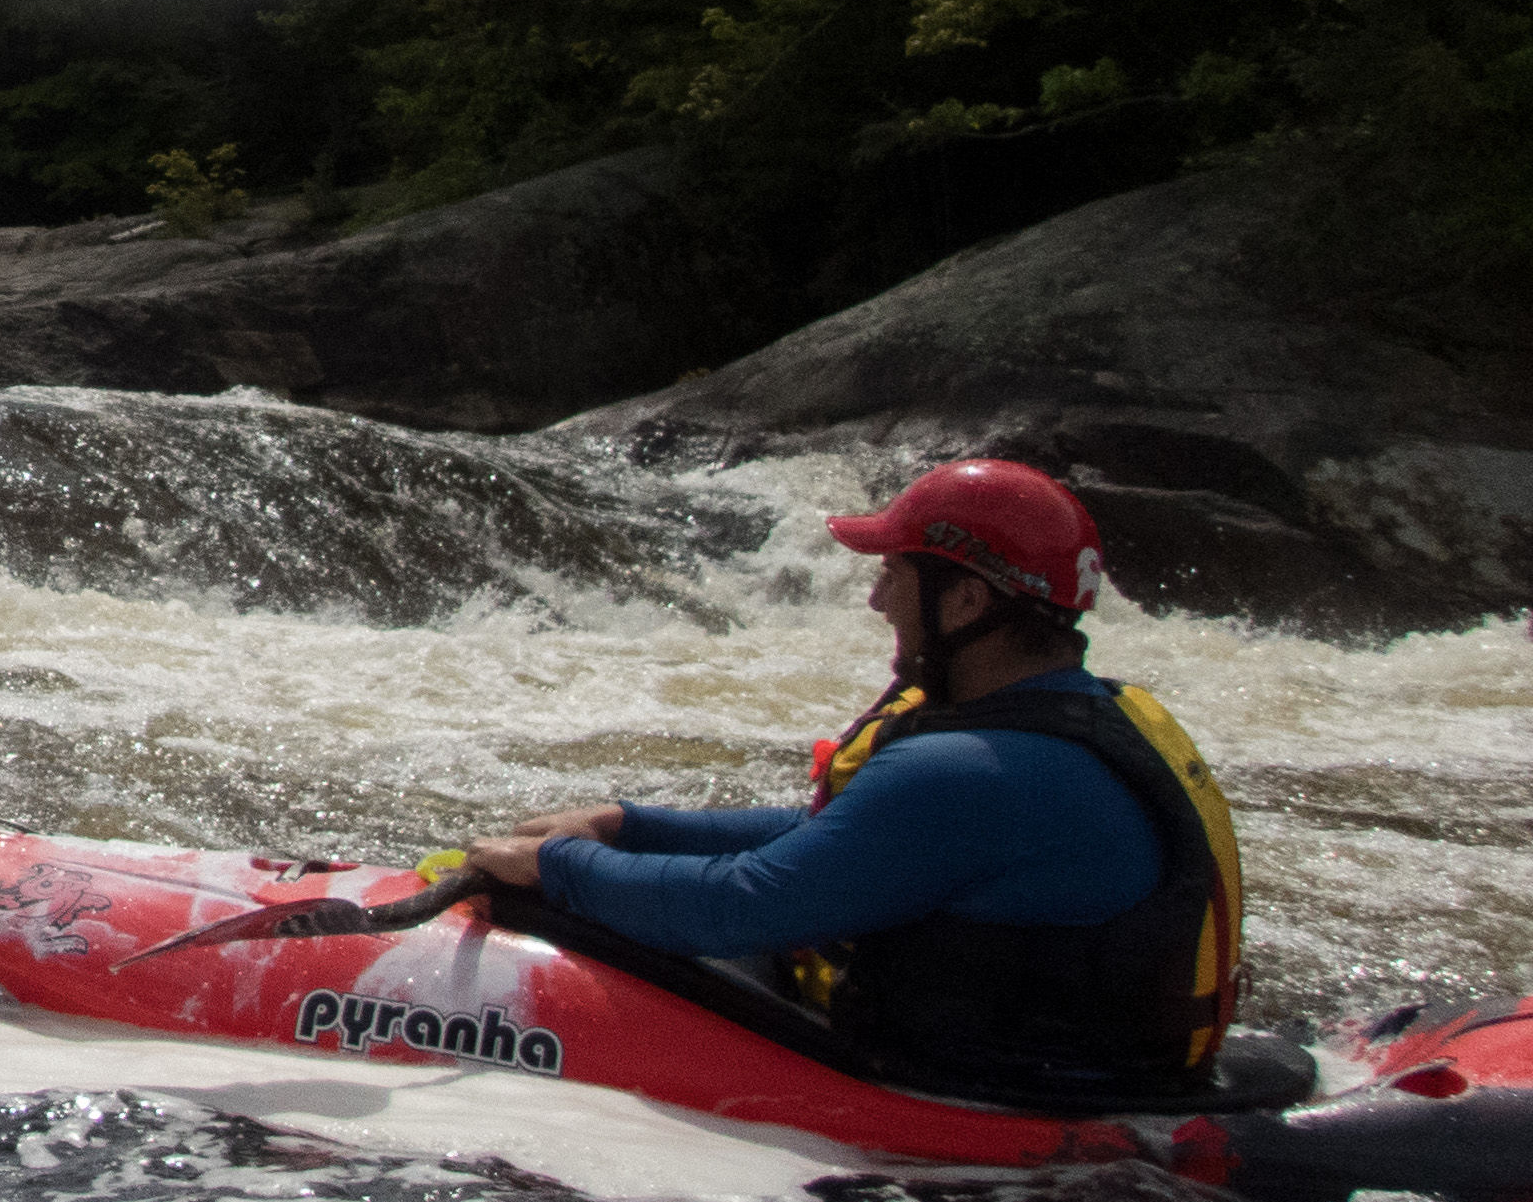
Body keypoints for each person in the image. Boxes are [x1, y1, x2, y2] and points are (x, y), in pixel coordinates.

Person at [457, 456, 1243, 1110]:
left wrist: (557, 868)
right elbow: (841, 836)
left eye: (894, 574)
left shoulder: (974, 772)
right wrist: (626, 825)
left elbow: (742, 907)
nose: (876, 600)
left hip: (1000, 1101)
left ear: (967, 600)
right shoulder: (1080, 721)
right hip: (1078, 1068)